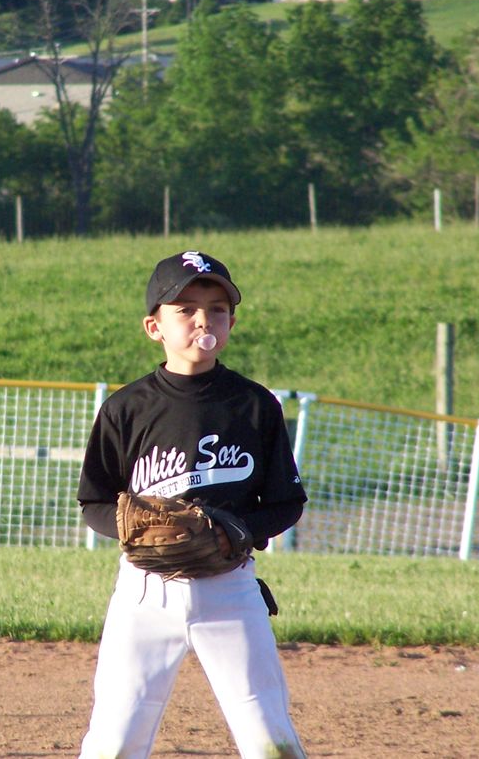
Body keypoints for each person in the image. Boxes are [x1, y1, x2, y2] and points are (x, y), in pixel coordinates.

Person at [77, 250, 308, 759]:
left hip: (230, 589)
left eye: (218, 308)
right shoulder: (126, 407)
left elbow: (287, 502)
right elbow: (94, 500)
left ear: (231, 321)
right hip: (145, 593)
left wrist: (239, 530)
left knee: (268, 733)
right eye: (185, 308)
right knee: (114, 738)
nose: (203, 320)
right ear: (154, 326)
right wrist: (134, 528)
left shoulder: (253, 405)